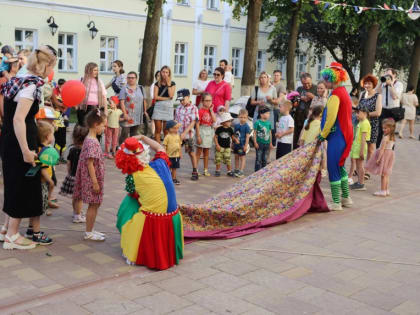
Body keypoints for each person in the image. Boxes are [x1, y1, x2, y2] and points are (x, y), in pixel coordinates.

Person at [0, 45, 56, 250]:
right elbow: (18, 119)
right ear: (47, 65)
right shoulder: (32, 85)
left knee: (13, 182)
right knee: (22, 184)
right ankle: (13, 236)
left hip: (9, 138)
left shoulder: (18, 78)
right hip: (19, 140)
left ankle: (6, 229)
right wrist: (25, 149)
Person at [115, 136, 184, 270]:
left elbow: (134, 197)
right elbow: (159, 147)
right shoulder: (161, 163)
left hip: (154, 219)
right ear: (144, 152)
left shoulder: (132, 177)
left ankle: (133, 246)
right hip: (173, 215)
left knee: (128, 205)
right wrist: (142, 137)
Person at [318, 62, 353, 211]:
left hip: (338, 136)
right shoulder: (344, 92)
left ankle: (336, 202)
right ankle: (346, 198)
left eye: (326, 80)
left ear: (333, 79)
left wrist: (322, 135)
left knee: (333, 167)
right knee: (340, 166)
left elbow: (331, 118)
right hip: (345, 134)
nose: (325, 83)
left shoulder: (336, 95)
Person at [73, 110, 107, 241]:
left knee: (95, 204)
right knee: (93, 204)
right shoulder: (92, 142)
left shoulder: (90, 139)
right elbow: (90, 163)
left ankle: (91, 229)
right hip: (92, 179)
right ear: (96, 124)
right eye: (103, 125)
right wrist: (95, 182)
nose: (104, 128)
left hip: (93, 178)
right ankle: (88, 232)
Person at [59, 125, 88, 223]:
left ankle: (75, 212)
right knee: (79, 198)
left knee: (75, 197)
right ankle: (78, 216)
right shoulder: (85, 151)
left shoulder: (72, 149)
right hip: (80, 177)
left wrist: (69, 173)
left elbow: (68, 163)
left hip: (72, 175)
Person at [365, 118, 396, 197]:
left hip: (384, 156)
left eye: (385, 128)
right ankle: (386, 190)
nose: (383, 129)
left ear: (391, 128)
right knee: (386, 174)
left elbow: (382, 150)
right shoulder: (392, 137)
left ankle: (382, 191)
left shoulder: (385, 138)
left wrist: (378, 159)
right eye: (383, 128)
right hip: (390, 155)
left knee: (383, 175)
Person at [174, 89, 199, 181]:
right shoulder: (178, 108)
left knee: (191, 153)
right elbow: (176, 121)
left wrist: (185, 133)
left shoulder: (194, 108)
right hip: (178, 135)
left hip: (189, 135)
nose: (181, 102)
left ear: (188, 97)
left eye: (183, 99)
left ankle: (195, 171)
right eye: (180, 100)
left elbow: (193, 122)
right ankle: (173, 173)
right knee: (176, 153)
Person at [35, 121, 59, 219]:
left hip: (45, 178)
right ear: (47, 137)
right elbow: (42, 169)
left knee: (46, 192)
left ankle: (47, 202)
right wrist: (49, 180)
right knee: (41, 199)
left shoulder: (40, 148)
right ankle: (45, 207)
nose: (53, 136)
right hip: (43, 180)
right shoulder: (43, 151)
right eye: (52, 134)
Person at [250, 72, 278, 150]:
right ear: (259, 79)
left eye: (264, 77)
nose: (263, 79)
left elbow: (276, 102)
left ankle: (268, 155)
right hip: (258, 112)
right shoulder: (256, 88)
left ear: (268, 78)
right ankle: (258, 152)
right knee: (258, 131)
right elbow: (251, 102)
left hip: (269, 113)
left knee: (269, 132)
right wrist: (258, 102)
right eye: (261, 77)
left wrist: (270, 100)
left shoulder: (273, 88)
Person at [376, 68, 403, 147]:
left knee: (390, 132)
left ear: (394, 75)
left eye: (389, 74)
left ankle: (389, 151)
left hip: (393, 111)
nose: (387, 76)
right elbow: (377, 92)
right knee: (380, 131)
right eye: (385, 74)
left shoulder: (398, 84)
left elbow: (394, 96)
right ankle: (378, 150)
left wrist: (391, 84)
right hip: (383, 110)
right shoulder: (383, 84)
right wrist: (381, 83)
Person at [119, 71, 148, 143]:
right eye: (129, 78)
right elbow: (121, 102)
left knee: (134, 134)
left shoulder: (141, 88)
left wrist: (145, 111)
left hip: (137, 115)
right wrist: (125, 114)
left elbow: (144, 100)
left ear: (136, 79)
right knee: (125, 133)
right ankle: (121, 149)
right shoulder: (124, 88)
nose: (130, 79)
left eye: (132, 78)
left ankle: (131, 149)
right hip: (127, 115)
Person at [359, 74, 382, 162]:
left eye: (369, 83)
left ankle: (368, 170)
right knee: (360, 145)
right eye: (365, 83)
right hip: (361, 124)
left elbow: (378, 112)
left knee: (370, 148)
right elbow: (359, 108)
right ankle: (359, 167)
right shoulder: (362, 94)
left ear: (373, 85)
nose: (367, 85)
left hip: (373, 124)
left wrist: (365, 115)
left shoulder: (378, 96)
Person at [349, 106, 371, 191]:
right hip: (357, 146)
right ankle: (359, 182)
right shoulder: (361, 122)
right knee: (358, 166)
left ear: (365, 113)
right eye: (356, 113)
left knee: (360, 166)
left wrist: (361, 151)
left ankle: (361, 183)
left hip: (360, 147)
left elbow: (363, 139)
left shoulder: (365, 123)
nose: (356, 114)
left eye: (358, 113)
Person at [152, 65, 176, 143]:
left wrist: (168, 84)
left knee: (166, 130)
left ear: (169, 73)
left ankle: (166, 148)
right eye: (163, 72)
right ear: (161, 73)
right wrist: (167, 98)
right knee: (158, 130)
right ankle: (158, 148)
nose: (165, 74)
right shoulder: (157, 84)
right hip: (158, 107)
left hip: (168, 108)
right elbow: (155, 97)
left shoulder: (172, 83)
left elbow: (171, 95)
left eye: (166, 72)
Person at [294, 73, 317, 149]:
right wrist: (300, 98)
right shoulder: (299, 89)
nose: (306, 85)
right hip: (298, 117)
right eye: (304, 84)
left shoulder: (316, 88)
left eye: (308, 83)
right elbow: (295, 100)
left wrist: (313, 97)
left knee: (305, 138)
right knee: (296, 138)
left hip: (309, 118)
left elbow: (322, 102)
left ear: (311, 80)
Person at [196, 92, 216, 177]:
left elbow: (214, 120)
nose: (208, 102)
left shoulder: (211, 111)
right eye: (206, 101)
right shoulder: (200, 111)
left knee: (207, 152)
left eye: (210, 101)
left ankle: (205, 169)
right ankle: (195, 169)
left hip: (209, 131)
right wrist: (198, 136)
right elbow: (197, 124)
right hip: (202, 131)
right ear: (203, 101)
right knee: (199, 152)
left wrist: (211, 111)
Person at [51, 78, 68, 163]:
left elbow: (67, 105)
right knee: (57, 140)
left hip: (63, 120)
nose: (62, 88)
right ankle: (56, 157)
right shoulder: (54, 92)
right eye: (61, 86)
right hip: (56, 121)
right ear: (58, 85)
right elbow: (53, 102)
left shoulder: (66, 93)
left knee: (63, 141)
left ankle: (62, 157)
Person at [214, 112, 235, 177]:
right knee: (218, 159)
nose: (230, 123)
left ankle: (229, 171)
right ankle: (217, 170)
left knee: (228, 159)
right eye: (229, 121)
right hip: (220, 147)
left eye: (230, 121)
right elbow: (215, 137)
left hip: (227, 147)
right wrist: (217, 145)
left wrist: (235, 141)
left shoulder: (230, 129)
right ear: (224, 122)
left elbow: (232, 137)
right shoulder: (219, 129)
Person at [254, 106, 273, 171]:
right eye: (267, 113)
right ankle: (257, 172)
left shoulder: (268, 123)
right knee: (258, 158)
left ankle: (263, 171)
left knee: (265, 158)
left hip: (267, 143)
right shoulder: (257, 123)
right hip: (259, 143)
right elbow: (255, 133)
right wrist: (255, 142)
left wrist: (270, 143)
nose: (269, 115)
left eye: (269, 113)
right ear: (261, 114)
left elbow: (270, 133)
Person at [233, 109, 251, 178]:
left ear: (247, 117)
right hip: (236, 145)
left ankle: (241, 171)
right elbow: (234, 135)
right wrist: (232, 143)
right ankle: (236, 169)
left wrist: (246, 145)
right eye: (241, 117)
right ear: (238, 117)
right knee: (236, 157)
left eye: (244, 117)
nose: (243, 119)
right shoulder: (236, 125)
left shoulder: (247, 126)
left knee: (242, 157)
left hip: (242, 145)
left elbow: (247, 137)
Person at [163, 120, 182, 185]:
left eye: (177, 128)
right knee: (169, 167)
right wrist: (164, 154)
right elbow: (164, 145)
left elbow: (179, 144)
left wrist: (180, 153)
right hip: (169, 155)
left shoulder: (178, 136)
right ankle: (168, 178)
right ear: (169, 129)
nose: (176, 130)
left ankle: (174, 178)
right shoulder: (167, 136)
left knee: (175, 167)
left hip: (176, 155)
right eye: (174, 128)